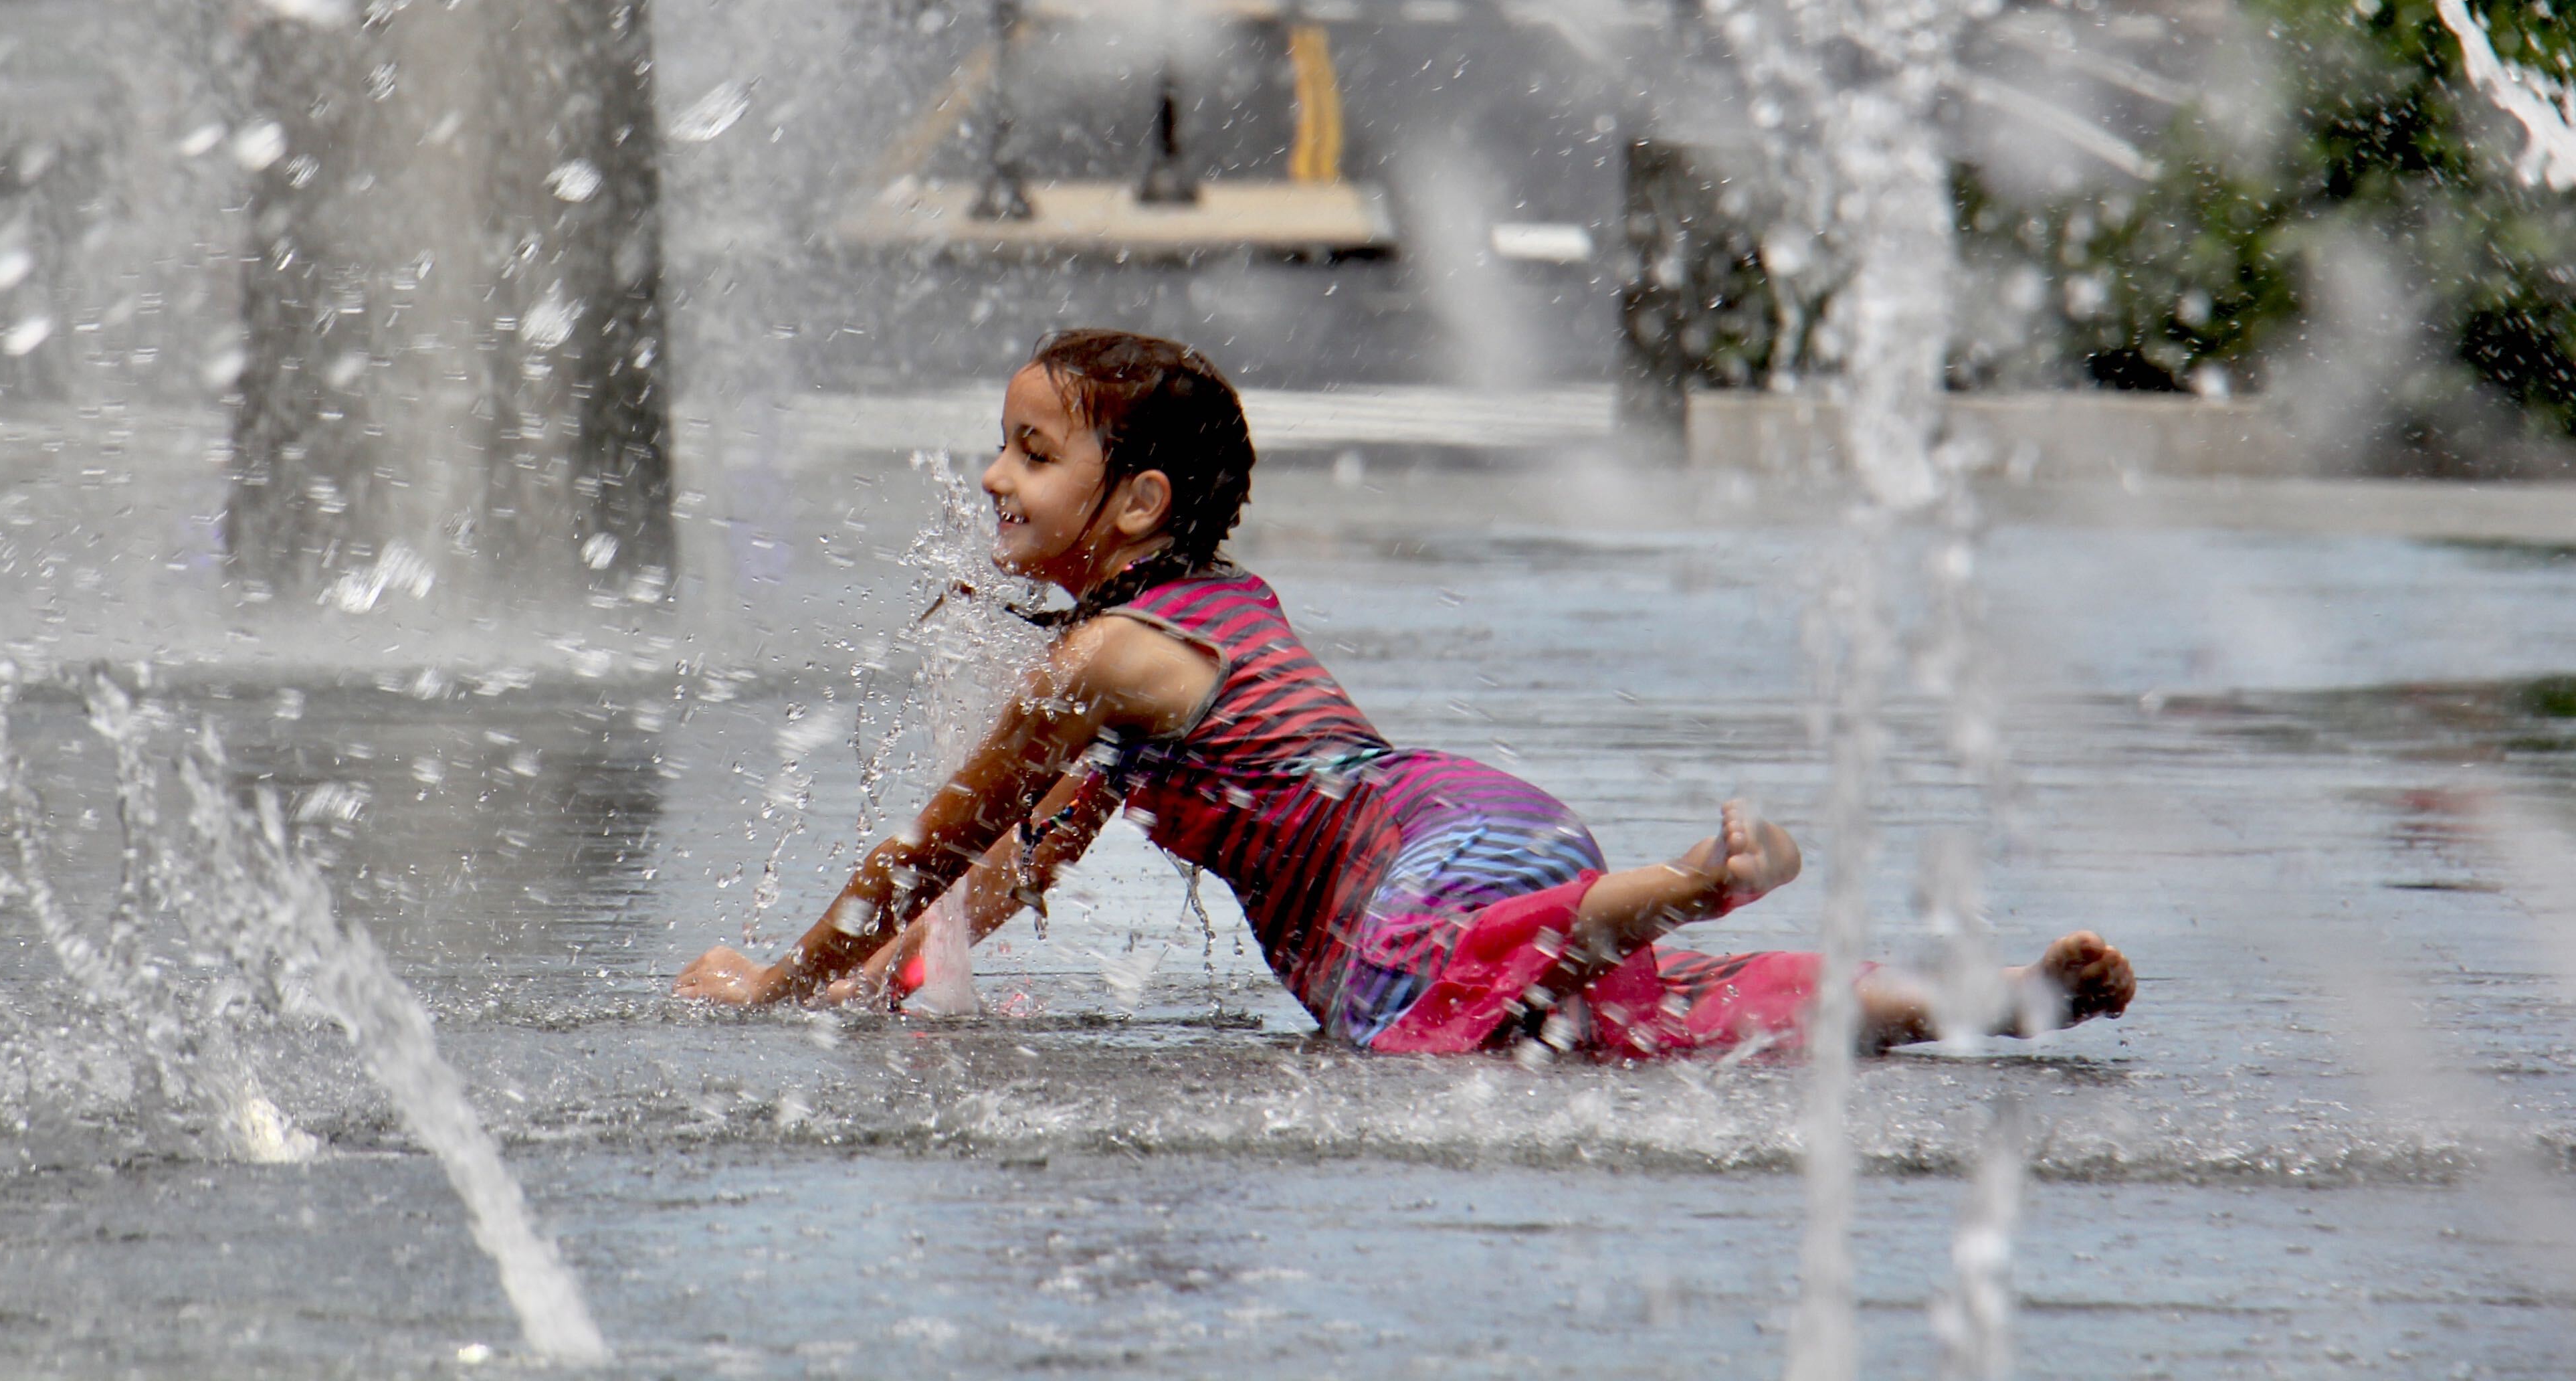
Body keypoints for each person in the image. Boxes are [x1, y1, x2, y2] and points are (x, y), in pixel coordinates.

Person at [676, 331, 2137, 1059]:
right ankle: (1978, 996)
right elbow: (1015, 863)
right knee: (1637, 1023)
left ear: (1134, 506)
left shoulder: (1100, 660)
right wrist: (894, 986)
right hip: (1470, 808)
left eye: (1032, 451)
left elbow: (935, 846)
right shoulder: (1204, 616)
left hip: (1405, 880)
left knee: (1496, 975)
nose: (993, 478)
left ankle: (1686, 883)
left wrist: (784, 985)